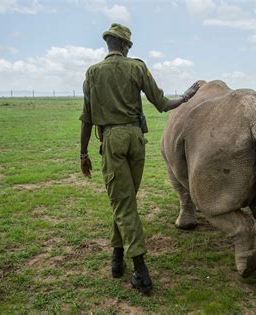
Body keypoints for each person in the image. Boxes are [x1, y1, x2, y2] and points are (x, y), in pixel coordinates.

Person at [79, 23, 200, 294]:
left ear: (108, 44)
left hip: (111, 140)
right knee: (126, 201)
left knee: (123, 203)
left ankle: (141, 271)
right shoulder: (137, 67)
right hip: (136, 139)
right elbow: (162, 103)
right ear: (125, 46)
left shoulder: (92, 73)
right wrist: (186, 97)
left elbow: (87, 118)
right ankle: (116, 258)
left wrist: (83, 152)